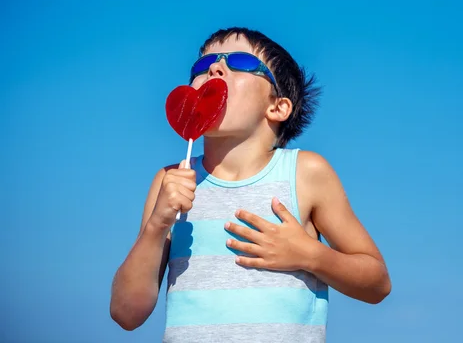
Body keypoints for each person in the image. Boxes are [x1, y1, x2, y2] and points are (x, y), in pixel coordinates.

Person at [110, 27, 391, 342]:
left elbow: (377, 282)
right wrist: (156, 225)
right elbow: (126, 313)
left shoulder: (305, 173)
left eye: (239, 61)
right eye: (202, 66)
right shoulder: (171, 180)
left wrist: (310, 255)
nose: (214, 68)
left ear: (277, 107)